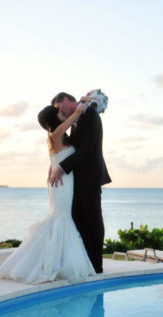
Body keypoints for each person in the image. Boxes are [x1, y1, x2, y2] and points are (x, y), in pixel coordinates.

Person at [0, 99, 96, 283]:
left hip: (63, 181)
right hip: (61, 184)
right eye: (58, 112)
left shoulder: (60, 137)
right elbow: (74, 116)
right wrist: (84, 103)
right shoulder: (54, 134)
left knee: (61, 218)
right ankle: (51, 265)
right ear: (51, 120)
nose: (62, 114)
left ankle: (57, 262)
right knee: (60, 218)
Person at [48, 92, 111, 273]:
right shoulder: (78, 118)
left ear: (66, 100)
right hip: (76, 179)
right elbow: (71, 147)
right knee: (78, 220)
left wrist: (61, 168)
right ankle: (83, 262)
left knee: (93, 220)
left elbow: (86, 149)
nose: (60, 112)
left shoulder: (90, 115)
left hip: (90, 177)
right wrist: (54, 163)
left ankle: (96, 265)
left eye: (59, 107)